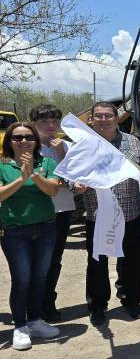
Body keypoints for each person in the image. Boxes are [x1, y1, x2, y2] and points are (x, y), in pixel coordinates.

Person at [73, 102, 140, 325]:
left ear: (117, 118)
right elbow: (70, 175)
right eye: (98, 116)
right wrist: (75, 186)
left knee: (131, 260)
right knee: (97, 262)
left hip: (130, 213)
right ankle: (97, 305)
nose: (103, 120)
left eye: (108, 116)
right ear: (91, 120)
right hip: (98, 215)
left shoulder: (132, 142)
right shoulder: (83, 144)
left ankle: (131, 298)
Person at [0, 122, 61, 350]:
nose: (23, 141)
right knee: (22, 279)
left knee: (39, 277)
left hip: (46, 229)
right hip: (15, 232)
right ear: (10, 141)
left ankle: (35, 321)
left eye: (28, 137)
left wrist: (33, 174)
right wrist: (20, 178)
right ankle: (20, 326)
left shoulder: (47, 163)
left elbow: (52, 190)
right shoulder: (2, 165)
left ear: (36, 141)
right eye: (17, 137)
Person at [29, 104, 76, 322]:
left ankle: (48, 302)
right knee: (32, 261)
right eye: (44, 122)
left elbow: (75, 177)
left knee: (54, 259)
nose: (50, 126)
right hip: (34, 210)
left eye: (55, 122)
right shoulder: (27, 145)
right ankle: (32, 306)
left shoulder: (67, 146)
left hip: (61, 208)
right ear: (33, 124)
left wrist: (61, 154)